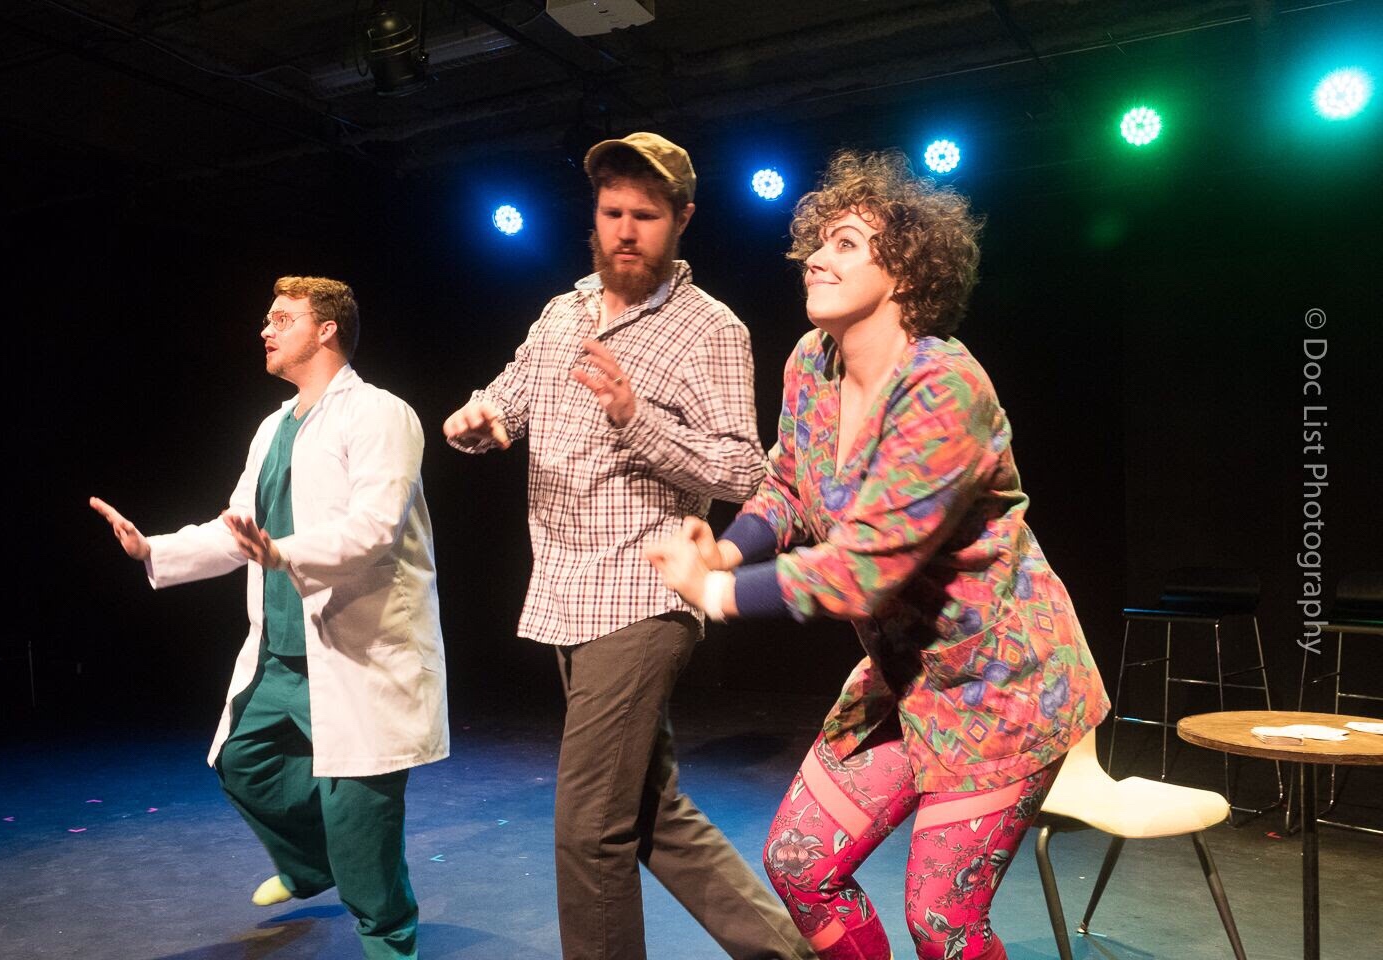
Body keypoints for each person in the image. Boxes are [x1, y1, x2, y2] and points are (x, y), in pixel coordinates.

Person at [644, 150, 1110, 960]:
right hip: (904, 677)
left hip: (1002, 686)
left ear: (906, 271)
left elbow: (862, 570)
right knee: (801, 864)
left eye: (847, 243)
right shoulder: (811, 363)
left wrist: (715, 595)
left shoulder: (943, 388)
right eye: (817, 242)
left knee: (942, 920)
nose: (816, 258)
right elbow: (789, 486)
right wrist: (724, 549)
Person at [443, 132, 812, 960]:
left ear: (682, 219)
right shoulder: (562, 312)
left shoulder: (708, 329)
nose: (625, 231)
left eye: (645, 216)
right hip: (565, 590)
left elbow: (744, 468)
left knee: (588, 830)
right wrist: (477, 421)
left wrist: (634, 418)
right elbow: (507, 401)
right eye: (613, 212)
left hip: (642, 596)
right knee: (650, 813)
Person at [90, 276, 447, 960]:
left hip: (360, 653)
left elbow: (375, 528)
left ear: (327, 329)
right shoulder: (272, 427)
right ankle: (313, 866)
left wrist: (284, 553)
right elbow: (239, 530)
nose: (266, 329)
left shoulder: (381, 414)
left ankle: (389, 942)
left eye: (282, 318)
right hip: (285, 654)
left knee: (360, 821)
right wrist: (153, 549)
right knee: (243, 762)